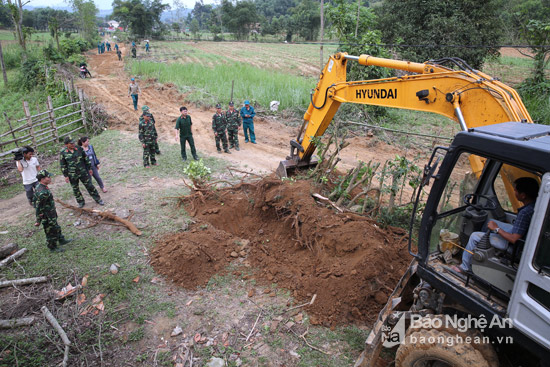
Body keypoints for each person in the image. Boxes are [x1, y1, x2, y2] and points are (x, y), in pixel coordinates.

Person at [452, 177, 539, 274]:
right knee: (490, 221)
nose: (514, 192)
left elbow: (514, 239)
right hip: (524, 236)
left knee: (474, 236)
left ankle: (464, 267)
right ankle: (479, 248)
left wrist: (496, 229)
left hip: (515, 246)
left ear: (523, 195)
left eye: (516, 190)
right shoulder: (535, 206)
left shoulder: (524, 213)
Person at [60, 136, 104, 208]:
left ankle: (98, 199)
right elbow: (63, 164)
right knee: (75, 189)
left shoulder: (79, 149)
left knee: (89, 185)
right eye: (71, 143)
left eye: (73, 142)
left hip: (82, 172)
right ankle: (81, 202)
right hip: (72, 174)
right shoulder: (63, 153)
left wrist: (89, 168)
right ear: (66, 144)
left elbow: (86, 158)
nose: (73, 144)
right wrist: (66, 175)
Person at [34, 170, 72, 253]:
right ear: (42, 179)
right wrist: (38, 220)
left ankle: (61, 239)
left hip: (51, 213)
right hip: (47, 215)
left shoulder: (40, 186)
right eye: (48, 177)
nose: (50, 178)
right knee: (50, 231)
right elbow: (38, 207)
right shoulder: (42, 192)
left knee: (56, 227)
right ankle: (52, 247)